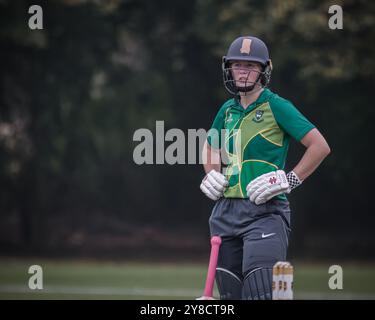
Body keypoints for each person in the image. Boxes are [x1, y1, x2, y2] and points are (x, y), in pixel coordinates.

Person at [200, 36, 331, 300]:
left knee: (260, 292)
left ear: (264, 70)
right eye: (237, 65)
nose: (243, 71)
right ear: (229, 69)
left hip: (265, 212)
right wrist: (211, 172)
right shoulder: (227, 110)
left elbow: (319, 146)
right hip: (225, 213)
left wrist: (291, 179)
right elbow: (210, 146)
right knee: (230, 297)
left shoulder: (277, 106)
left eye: (251, 65)